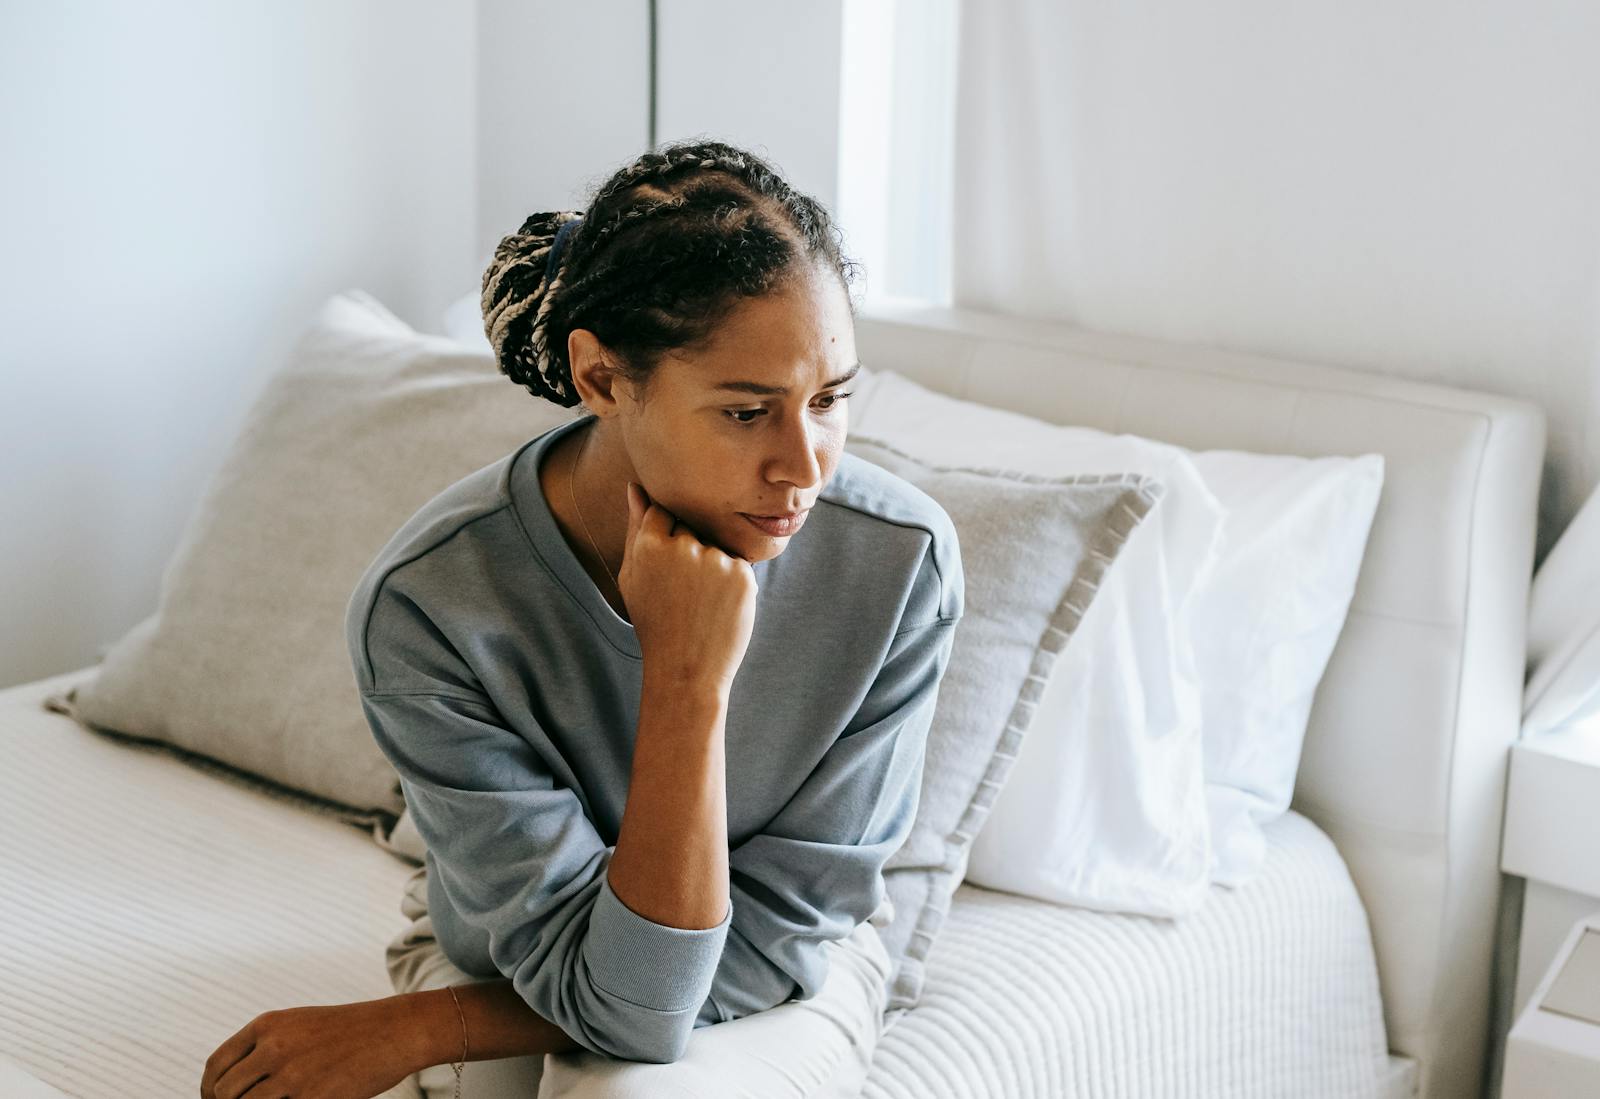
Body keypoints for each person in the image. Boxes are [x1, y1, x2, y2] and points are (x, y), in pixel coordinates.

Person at [199, 138, 964, 1099]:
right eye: (744, 412)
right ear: (601, 379)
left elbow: (720, 968)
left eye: (831, 398)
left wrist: (421, 1029)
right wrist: (681, 672)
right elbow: (603, 990)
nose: (806, 467)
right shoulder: (432, 606)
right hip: (509, 954)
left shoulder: (899, 564)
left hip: (779, 974)